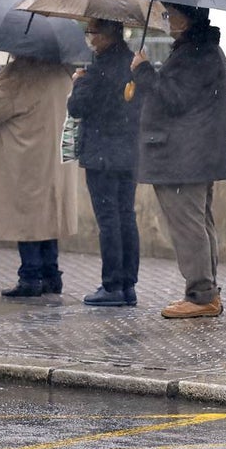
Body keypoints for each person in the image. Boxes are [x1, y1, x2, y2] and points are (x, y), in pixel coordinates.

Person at [130, 2, 226, 319]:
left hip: (183, 156)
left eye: (171, 14)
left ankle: (201, 296)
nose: (167, 20)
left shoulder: (196, 53)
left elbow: (173, 97)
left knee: (188, 228)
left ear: (186, 19)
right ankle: (206, 292)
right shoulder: (199, 50)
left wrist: (144, 71)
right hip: (192, 154)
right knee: (198, 225)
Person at [0, 55, 79, 297]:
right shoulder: (62, 70)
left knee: (28, 218)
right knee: (47, 218)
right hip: (55, 157)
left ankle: (30, 276)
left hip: (26, 158)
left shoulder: (20, 72)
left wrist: (3, 74)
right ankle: (51, 275)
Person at [68, 19, 142, 307]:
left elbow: (78, 107)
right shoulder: (132, 63)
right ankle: (128, 284)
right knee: (126, 216)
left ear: (108, 35)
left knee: (109, 219)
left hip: (102, 154)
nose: (89, 38)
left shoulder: (97, 69)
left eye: (92, 32)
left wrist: (78, 83)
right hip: (128, 152)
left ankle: (112, 285)